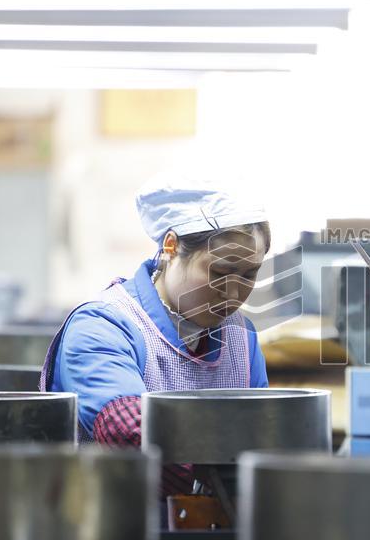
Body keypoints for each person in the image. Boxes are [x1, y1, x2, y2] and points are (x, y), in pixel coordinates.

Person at [39, 175, 270, 495]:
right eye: (219, 272)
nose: (233, 292)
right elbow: (127, 431)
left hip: (220, 532)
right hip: (115, 532)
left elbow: (266, 435)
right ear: (171, 247)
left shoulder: (241, 338)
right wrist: (220, 480)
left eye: (249, 274)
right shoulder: (104, 325)